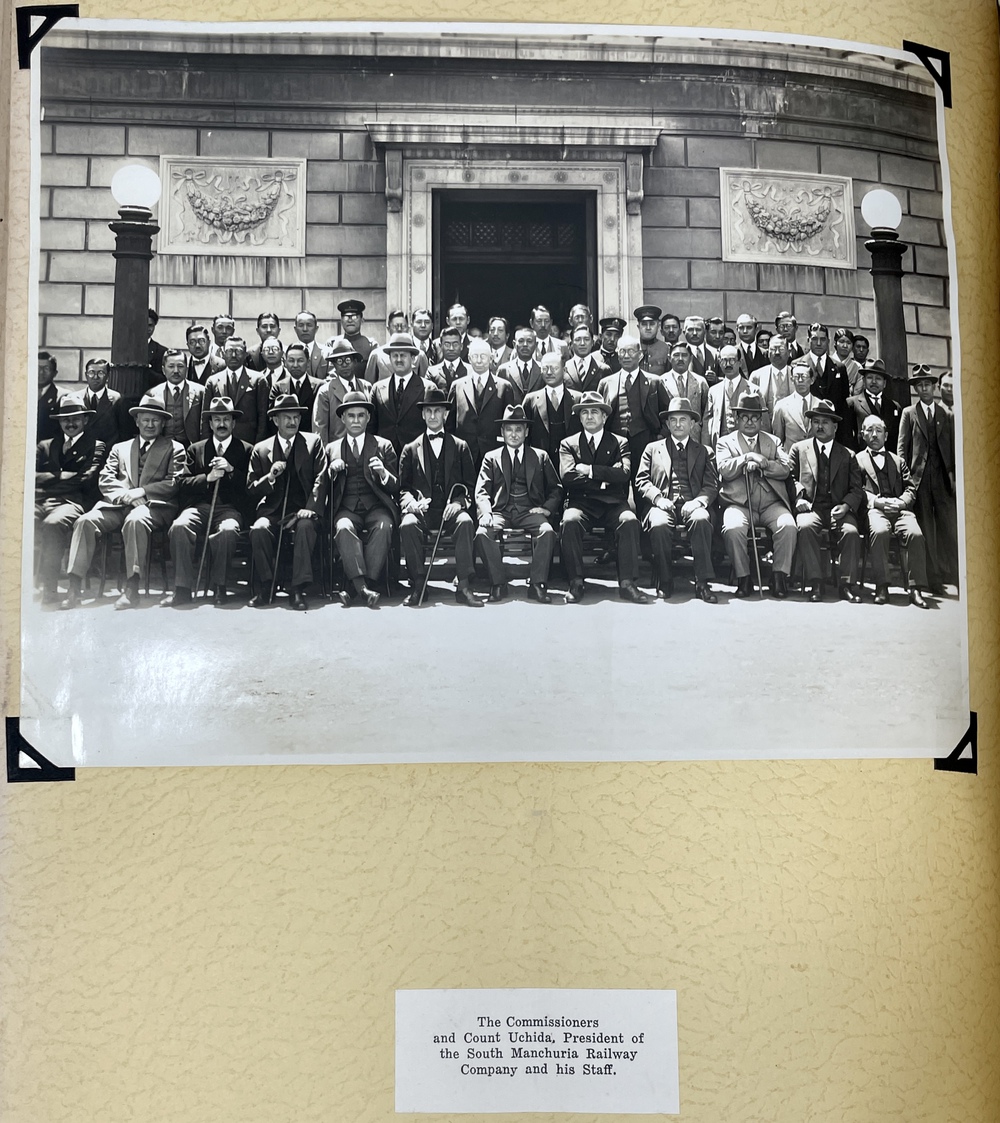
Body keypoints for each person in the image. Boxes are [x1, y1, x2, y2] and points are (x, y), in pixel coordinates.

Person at [61, 393, 185, 610]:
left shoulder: (174, 448)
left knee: (135, 521)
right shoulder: (121, 448)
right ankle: (74, 587)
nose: (150, 425)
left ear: (163, 423)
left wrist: (141, 492)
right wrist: (126, 495)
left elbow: (174, 482)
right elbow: (105, 478)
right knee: (85, 521)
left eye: (155, 420)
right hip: (118, 505)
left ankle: (132, 588)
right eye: (145, 420)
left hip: (153, 506)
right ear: (137, 422)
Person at [162, 396, 252, 606]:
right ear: (210, 424)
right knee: (180, 526)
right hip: (199, 507)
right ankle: (182, 588)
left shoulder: (246, 449)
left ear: (233, 423)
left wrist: (231, 470)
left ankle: (219, 586)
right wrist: (207, 478)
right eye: (217, 420)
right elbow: (182, 483)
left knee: (228, 530)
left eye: (226, 419)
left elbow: (251, 487)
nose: (222, 424)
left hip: (229, 509)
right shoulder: (196, 449)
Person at [558, 392, 647, 604]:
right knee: (569, 521)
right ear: (580, 418)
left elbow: (624, 474)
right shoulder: (568, 443)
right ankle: (576, 582)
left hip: (613, 503)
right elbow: (568, 477)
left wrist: (589, 470)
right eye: (584, 413)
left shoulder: (620, 442)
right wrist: (605, 479)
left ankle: (627, 583)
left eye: (594, 412)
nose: (589, 417)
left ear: (604, 417)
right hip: (582, 503)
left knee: (629, 521)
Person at [397, 388, 481, 607]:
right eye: (428, 411)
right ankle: (418, 585)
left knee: (465, 521)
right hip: (423, 513)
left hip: (450, 512)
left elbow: (470, 486)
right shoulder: (410, 449)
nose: (433, 415)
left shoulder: (460, 446)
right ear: (422, 415)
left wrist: (458, 503)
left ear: (446, 414)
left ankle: (464, 586)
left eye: (437, 411)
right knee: (407, 524)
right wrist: (412, 504)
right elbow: (403, 489)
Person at [315, 390, 399, 609]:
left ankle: (357, 587)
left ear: (368, 418)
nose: (355, 420)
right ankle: (364, 588)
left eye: (360, 415)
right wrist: (331, 472)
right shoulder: (331, 449)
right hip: (346, 508)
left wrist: (383, 473)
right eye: (350, 416)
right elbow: (322, 486)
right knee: (343, 527)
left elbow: (395, 485)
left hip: (376, 507)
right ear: (342, 418)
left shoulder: (383, 445)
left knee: (384, 526)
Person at [474, 404, 562, 602]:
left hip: (529, 511)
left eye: (518, 429)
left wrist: (547, 509)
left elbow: (556, 488)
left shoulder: (540, 456)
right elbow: (481, 491)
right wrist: (486, 512)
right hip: (500, 511)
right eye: (509, 429)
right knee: (482, 533)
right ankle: (498, 583)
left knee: (547, 532)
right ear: (502, 432)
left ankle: (537, 584)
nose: (513, 434)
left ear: (526, 432)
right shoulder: (491, 457)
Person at [246, 394, 326, 610]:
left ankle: (297, 588)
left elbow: (321, 478)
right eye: (287, 418)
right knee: (259, 529)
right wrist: (270, 477)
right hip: (273, 511)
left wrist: (310, 509)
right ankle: (266, 586)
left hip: (303, 510)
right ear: (275, 420)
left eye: (296, 417)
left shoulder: (313, 442)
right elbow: (251, 488)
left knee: (305, 527)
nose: (293, 422)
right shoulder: (261, 449)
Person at [636, 398, 719, 602]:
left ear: (692, 424)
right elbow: (641, 480)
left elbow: (711, 485)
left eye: (683, 420)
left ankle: (702, 582)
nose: (678, 424)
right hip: (663, 504)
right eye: (673, 420)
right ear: (667, 423)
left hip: (693, 503)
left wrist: (698, 502)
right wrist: (658, 498)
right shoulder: (652, 448)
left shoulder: (704, 452)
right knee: (659, 524)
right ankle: (665, 580)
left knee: (701, 519)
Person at [715, 391, 797, 598]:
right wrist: (747, 457)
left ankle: (778, 577)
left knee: (788, 526)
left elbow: (785, 468)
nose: (750, 421)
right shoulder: (725, 442)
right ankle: (743, 578)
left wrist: (764, 463)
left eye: (754, 417)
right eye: (744, 416)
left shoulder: (773, 441)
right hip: (739, 504)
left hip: (771, 504)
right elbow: (724, 468)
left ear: (761, 420)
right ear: (736, 419)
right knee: (733, 528)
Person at [789, 400, 865, 602]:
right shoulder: (799, 449)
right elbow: (790, 479)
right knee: (805, 527)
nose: (820, 426)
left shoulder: (847, 455)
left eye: (825, 422)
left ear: (835, 427)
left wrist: (846, 506)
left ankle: (846, 585)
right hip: (811, 507)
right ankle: (816, 583)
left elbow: (857, 488)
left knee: (851, 532)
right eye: (815, 422)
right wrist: (799, 497)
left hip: (838, 509)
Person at [34, 394, 106, 605]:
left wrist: (47, 482)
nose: (70, 423)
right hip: (40, 500)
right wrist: (61, 475)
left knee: (53, 524)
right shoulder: (46, 446)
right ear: (59, 422)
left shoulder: (96, 446)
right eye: (65, 419)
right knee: (20, 520)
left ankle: (49, 589)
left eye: (76, 418)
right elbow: (29, 476)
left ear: (85, 419)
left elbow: (86, 480)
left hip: (73, 502)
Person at [855, 415, 929, 608]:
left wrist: (901, 502)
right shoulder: (857, 460)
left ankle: (915, 589)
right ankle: (882, 586)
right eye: (870, 430)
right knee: (880, 532)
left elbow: (910, 488)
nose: (874, 435)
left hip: (899, 509)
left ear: (886, 435)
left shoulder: (898, 461)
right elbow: (855, 490)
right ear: (863, 434)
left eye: (879, 430)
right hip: (874, 509)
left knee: (915, 534)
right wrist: (876, 502)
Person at [897, 364, 958, 593]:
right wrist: (904, 479)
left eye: (927, 384)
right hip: (918, 480)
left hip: (941, 479)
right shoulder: (909, 413)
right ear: (915, 388)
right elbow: (902, 448)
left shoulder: (945, 414)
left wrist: (952, 476)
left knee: (949, 527)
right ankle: (933, 579)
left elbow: (952, 449)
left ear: (934, 387)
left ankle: (957, 575)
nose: (924, 388)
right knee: (926, 530)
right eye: (919, 385)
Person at [597, 334, 668, 487]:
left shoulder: (655, 382)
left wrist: (660, 436)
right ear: (617, 355)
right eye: (622, 351)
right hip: (614, 444)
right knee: (615, 489)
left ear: (640, 355)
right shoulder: (606, 383)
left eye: (631, 351)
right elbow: (599, 414)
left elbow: (666, 413)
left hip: (645, 442)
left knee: (643, 486)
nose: (626, 356)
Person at [447, 338, 517, 469]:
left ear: (491, 358)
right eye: (475, 356)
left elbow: (508, 423)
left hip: (494, 451)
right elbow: (449, 423)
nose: (479, 360)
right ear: (469, 358)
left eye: (483, 356)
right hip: (464, 452)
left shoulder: (504, 387)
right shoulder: (457, 386)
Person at [371, 332, 437, 454]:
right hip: (385, 455)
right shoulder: (378, 388)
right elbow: (372, 427)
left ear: (413, 358)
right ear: (389, 358)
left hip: (417, 455)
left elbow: (434, 427)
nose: (399, 360)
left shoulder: (428, 388)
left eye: (403, 355)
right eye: (395, 356)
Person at [203, 337, 268, 445]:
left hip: (249, 443)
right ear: (223, 354)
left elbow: (263, 418)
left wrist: (258, 445)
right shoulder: (213, 381)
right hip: (220, 443)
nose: (233, 355)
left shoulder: (258, 380)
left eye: (238, 351)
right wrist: (208, 445)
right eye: (229, 351)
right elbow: (205, 419)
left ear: (245, 354)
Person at [521, 352, 582, 459]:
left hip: (571, 460)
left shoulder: (578, 399)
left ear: (564, 370)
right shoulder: (530, 400)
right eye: (545, 368)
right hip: (540, 461)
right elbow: (525, 435)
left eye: (555, 368)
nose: (549, 372)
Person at [312, 338, 373, 444]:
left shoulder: (366, 387)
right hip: (337, 449)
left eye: (348, 360)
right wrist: (326, 452)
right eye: (339, 361)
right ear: (334, 365)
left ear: (355, 362)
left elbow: (372, 423)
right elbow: (320, 428)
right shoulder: (326, 392)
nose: (344, 365)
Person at [147, 348, 205, 448]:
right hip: (161, 447)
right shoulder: (152, 394)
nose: (176, 371)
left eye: (180, 366)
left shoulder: (200, 392)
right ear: (163, 370)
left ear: (187, 369)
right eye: (171, 366)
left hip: (190, 447)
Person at [803, 322, 851, 440]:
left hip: (834, 433)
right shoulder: (798, 365)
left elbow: (844, 404)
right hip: (807, 431)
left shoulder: (839, 367)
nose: (819, 343)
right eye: (814, 339)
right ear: (808, 340)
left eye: (823, 339)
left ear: (828, 341)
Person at [844, 358, 902, 453]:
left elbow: (898, 439)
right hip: (861, 458)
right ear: (863, 380)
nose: (874, 382)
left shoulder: (894, 407)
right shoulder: (851, 404)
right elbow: (846, 437)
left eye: (878, 378)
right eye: (870, 377)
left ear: (884, 383)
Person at [660, 342, 709, 444]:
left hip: (695, 438)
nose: (680, 359)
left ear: (691, 358)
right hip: (670, 438)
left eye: (684, 355)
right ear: (669, 358)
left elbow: (706, 414)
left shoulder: (700, 382)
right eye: (676, 355)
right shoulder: (661, 381)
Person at [267, 342, 322, 432]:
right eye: (291, 360)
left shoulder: (319, 386)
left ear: (308, 362)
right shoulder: (277, 388)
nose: (295, 365)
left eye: (300, 360)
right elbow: (272, 419)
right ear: (285, 363)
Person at [702, 345, 749, 448]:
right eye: (724, 361)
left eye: (732, 360)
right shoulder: (713, 391)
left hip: (745, 446)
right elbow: (707, 422)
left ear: (740, 362)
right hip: (719, 445)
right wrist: (706, 448)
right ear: (719, 363)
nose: (728, 365)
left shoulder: (752, 390)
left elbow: (762, 424)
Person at [771, 358, 821, 452]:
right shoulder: (782, 406)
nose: (800, 380)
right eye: (797, 377)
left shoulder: (820, 405)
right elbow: (778, 440)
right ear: (792, 379)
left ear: (812, 380)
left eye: (804, 376)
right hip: (791, 458)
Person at [749, 335, 794, 430]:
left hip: (791, 429)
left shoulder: (797, 375)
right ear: (768, 352)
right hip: (763, 429)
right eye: (773, 349)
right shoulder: (757, 376)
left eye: (781, 349)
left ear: (789, 352)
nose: (777, 353)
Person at [81, 358, 124, 449]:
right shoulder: (76, 398)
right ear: (86, 375)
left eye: (100, 373)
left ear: (108, 376)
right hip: (81, 452)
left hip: (107, 452)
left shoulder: (117, 399)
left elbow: (123, 433)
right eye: (91, 372)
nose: (95, 377)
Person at [498, 327, 544, 402]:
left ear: (536, 345)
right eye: (521, 341)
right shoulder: (503, 370)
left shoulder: (542, 369)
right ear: (514, 344)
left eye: (529, 341)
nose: (525, 345)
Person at [564, 324, 609, 393]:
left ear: (592, 343)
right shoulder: (564, 368)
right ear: (571, 344)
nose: (582, 343)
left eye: (586, 339)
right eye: (578, 339)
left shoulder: (604, 369)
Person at [427, 326, 472, 391]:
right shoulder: (431, 372)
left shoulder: (471, 371)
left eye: (455, 344)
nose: (451, 348)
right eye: (447, 345)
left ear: (461, 346)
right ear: (440, 346)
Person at [334, 299, 377, 364]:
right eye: (346, 317)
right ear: (341, 321)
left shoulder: (371, 345)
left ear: (362, 320)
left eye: (354, 317)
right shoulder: (332, 343)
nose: (350, 320)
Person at [681, 315, 719, 384]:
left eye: (698, 330)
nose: (694, 333)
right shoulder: (678, 354)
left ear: (705, 332)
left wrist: (716, 379)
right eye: (690, 330)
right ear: (684, 332)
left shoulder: (715, 354)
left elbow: (726, 378)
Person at [635, 305, 670, 375]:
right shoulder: (632, 347)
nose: (648, 328)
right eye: (644, 324)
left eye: (652, 324)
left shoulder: (666, 348)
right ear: (638, 327)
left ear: (658, 326)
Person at [292, 310, 328, 379]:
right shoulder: (288, 353)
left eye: (309, 325)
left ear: (316, 328)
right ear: (295, 329)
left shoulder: (327, 353)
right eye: (301, 325)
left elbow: (332, 378)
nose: (305, 329)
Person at [37, 351, 61, 442]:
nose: (41, 372)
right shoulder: (21, 393)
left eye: (46, 368)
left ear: (54, 373)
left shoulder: (62, 397)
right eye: (37, 368)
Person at [147, 308, 167, 377]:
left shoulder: (162, 351)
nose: (147, 328)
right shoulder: (129, 349)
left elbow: (164, 378)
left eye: (150, 325)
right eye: (143, 324)